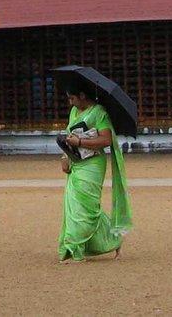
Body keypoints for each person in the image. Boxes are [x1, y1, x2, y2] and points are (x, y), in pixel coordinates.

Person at [57, 77, 133, 263]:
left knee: (86, 207)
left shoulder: (99, 113)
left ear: (82, 95)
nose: (70, 102)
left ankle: (75, 248)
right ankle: (111, 239)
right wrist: (65, 156)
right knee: (76, 206)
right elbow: (70, 135)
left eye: (72, 98)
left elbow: (106, 140)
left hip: (92, 164)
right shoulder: (74, 111)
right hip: (76, 162)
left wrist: (81, 142)